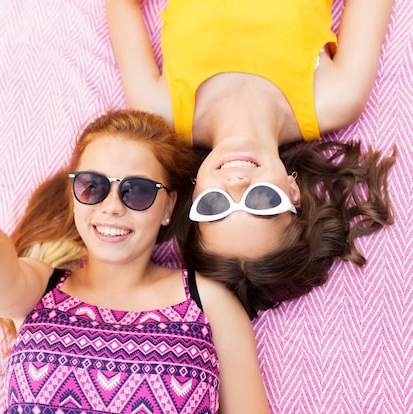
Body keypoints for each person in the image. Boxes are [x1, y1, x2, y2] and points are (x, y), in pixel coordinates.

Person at [0, 109, 270, 414]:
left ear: (167, 206)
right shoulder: (42, 288)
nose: (111, 207)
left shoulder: (209, 302)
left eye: (137, 191)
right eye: (92, 186)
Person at [105, 0, 396, 317]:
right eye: (262, 200)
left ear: (193, 199)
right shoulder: (336, 97)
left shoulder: (158, 110)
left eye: (214, 206)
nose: (237, 183)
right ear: (293, 191)